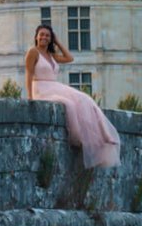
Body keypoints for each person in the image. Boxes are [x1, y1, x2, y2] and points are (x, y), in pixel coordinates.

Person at [25, 23, 121, 169]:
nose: (44, 37)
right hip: (41, 88)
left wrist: (57, 42)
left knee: (84, 99)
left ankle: (105, 136)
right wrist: (31, 98)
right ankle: (79, 138)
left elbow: (69, 58)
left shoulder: (51, 56)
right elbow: (29, 75)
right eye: (42, 34)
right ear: (36, 36)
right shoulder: (33, 52)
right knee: (68, 104)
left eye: (47, 35)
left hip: (54, 86)